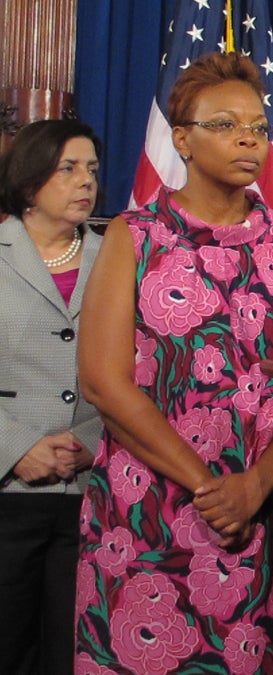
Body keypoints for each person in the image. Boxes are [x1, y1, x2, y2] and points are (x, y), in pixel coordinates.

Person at [74, 53, 273, 674]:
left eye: (258, 125)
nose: (248, 137)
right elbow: (104, 383)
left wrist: (255, 485)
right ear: (182, 140)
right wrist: (209, 487)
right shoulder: (134, 237)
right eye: (224, 124)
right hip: (153, 520)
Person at [0, 120, 102, 675]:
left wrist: (92, 442)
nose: (85, 181)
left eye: (91, 169)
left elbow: (137, 372)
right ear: (28, 178)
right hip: (8, 490)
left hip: (90, 492)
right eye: (68, 168)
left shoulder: (119, 260)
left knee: (74, 650)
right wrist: (17, 446)